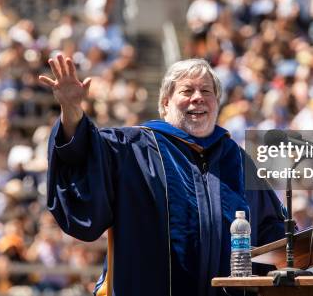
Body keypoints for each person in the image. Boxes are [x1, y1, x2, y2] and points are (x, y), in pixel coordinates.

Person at [40, 55, 285, 296]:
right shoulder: (133, 148)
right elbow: (83, 153)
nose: (198, 98)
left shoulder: (237, 161)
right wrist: (71, 110)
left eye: (206, 92)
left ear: (217, 103)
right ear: (166, 102)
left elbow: (270, 232)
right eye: (187, 91)